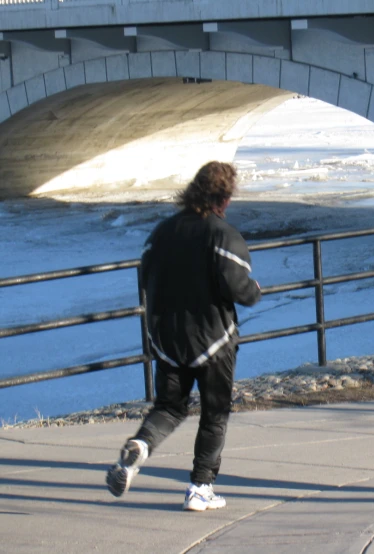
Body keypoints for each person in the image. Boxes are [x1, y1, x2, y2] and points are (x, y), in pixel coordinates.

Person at [106, 161, 261, 511]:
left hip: (168, 339)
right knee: (214, 413)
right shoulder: (223, 235)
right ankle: (200, 487)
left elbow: (146, 277)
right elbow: (239, 288)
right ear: (224, 199)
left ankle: (141, 446)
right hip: (214, 340)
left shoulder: (161, 233)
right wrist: (254, 290)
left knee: (170, 407)